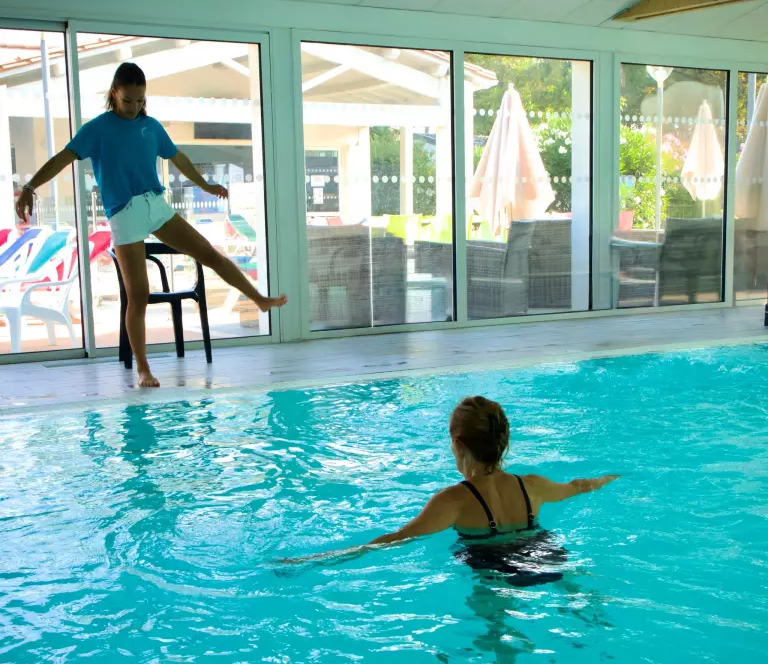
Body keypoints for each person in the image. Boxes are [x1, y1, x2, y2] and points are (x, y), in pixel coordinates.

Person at [15, 61, 286, 388]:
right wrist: (29, 187)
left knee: (211, 255)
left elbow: (178, 158)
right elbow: (62, 158)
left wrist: (205, 184)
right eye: (127, 100)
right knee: (139, 295)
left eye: (140, 100)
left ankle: (258, 299)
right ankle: (143, 369)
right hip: (124, 213)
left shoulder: (151, 127)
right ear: (114, 93)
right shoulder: (97, 129)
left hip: (155, 205)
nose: (134, 107)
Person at [282, 395, 618, 566]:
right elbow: (578, 487)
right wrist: (610, 477)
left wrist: (315, 559)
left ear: (457, 445)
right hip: (545, 553)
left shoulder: (454, 501)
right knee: (575, 591)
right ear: (503, 441)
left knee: (496, 631)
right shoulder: (532, 485)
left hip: (491, 566)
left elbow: (396, 539)